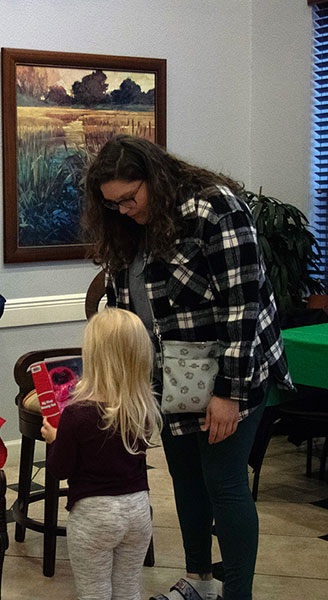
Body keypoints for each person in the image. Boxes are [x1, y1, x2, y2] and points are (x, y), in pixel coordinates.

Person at [82, 135, 292, 600]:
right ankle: (199, 581)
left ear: (154, 179)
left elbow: (243, 305)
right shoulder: (126, 226)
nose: (122, 211)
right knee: (187, 481)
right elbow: (124, 308)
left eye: (129, 199)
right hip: (170, 381)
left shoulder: (214, 208)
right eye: (111, 204)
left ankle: (237, 593)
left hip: (227, 374)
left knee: (225, 484)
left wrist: (230, 393)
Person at [41, 308, 162, 600]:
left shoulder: (76, 413)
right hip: (137, 511)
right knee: (128, 590)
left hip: (93, 516)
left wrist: (54, 439)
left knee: (94, 593)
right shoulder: (143, 409)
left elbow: (61, 469)